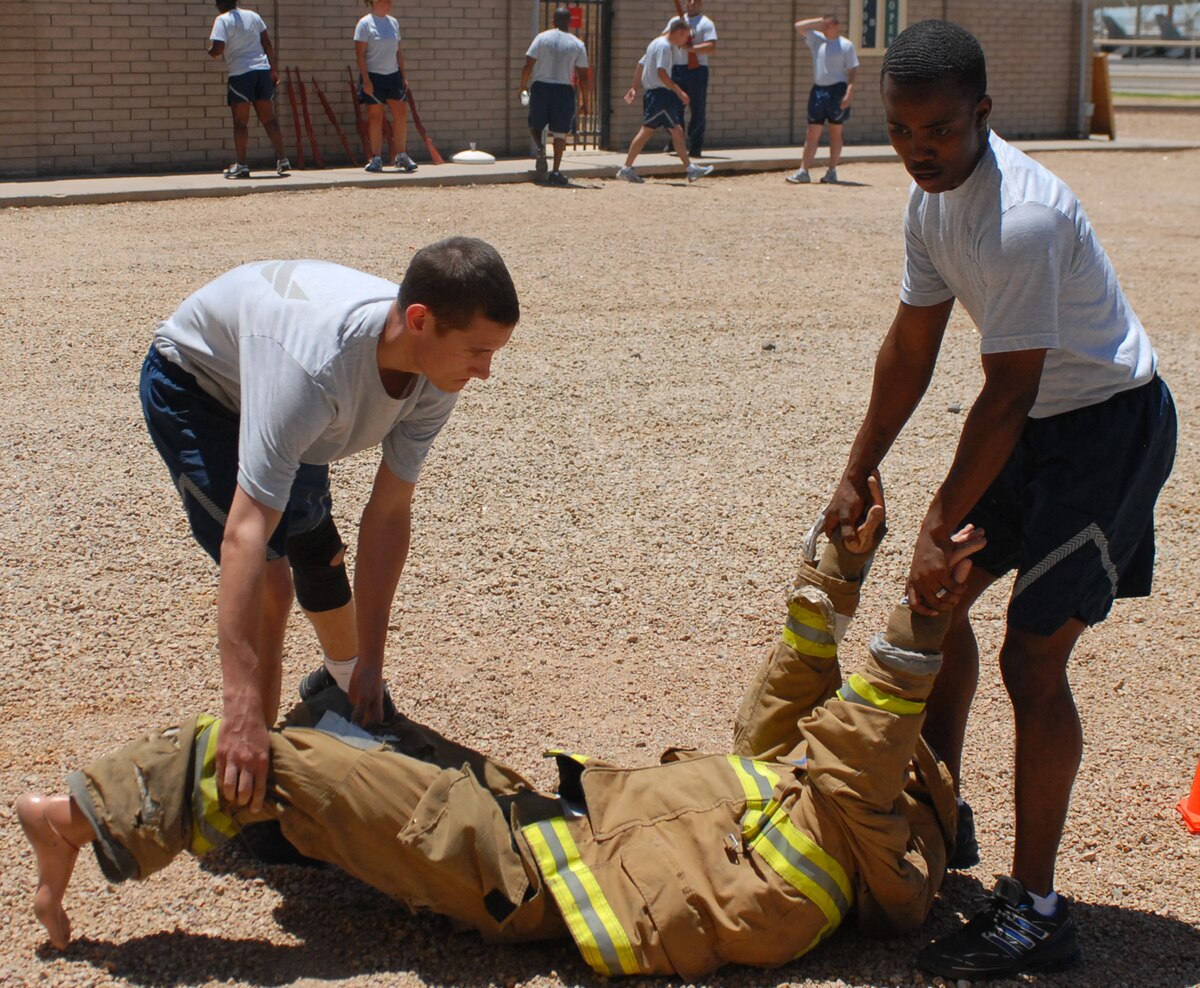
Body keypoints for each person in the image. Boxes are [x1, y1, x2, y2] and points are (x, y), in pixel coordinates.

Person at [17, 482, 987, 979]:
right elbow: (785, 707)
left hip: (523, 874)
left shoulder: (888, 857)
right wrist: (839, 567)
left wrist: (920, 625)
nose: (833, 729)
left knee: (276, 761)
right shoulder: (828, 805)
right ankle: (292, 822)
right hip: (543, 824)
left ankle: (77, 818)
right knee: (352, 723)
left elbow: (861, 741)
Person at [821, 19, 1177, 981]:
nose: (918, 149)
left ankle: (1038, 912)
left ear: (982, 112)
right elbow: (911, 348)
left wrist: (937, 524)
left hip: (1105, 431)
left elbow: (1008, 392)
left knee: (1032, 656)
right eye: (901, 130)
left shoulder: (1022, 217)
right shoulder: (931, 203)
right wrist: (858, 466)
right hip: (1036, 423)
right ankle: (945, 820)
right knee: (938, 608)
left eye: (938, 129)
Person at [138, 238, 519, 822]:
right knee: (272, 583)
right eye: (477, 351)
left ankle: (341, 685)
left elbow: (387, 513)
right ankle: (252, 777)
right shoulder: (313, 375)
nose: (485, 372)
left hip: (289, 386)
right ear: (420, 320)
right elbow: (244, 533)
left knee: (316, 545)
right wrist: (239, 709)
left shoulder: (434, 371)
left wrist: (372, 663)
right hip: (201, 386)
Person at [616, 19, 715, 185]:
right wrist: (679, 91)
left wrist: (634, 87)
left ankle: (690, 169)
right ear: (678, 32)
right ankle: (626, 169)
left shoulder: (654, 43)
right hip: (661, 95)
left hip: (656, 95)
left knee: (673, 131)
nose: (686, 42)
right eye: (685, 37)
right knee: (654, 131)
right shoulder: (664, 47)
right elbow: (661, 72)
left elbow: (641, 64)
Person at [207, 0, 289, 179]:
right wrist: (273, 70)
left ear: (220, 4)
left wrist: (210, 51)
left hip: (241, 74)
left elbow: (218, 49)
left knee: (240, 122)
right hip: (262, 71)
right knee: (269, 119)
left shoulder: (222, 20)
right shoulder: (254, 16)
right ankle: (283, 159)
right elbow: (267, 44)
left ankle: (242, 165)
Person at [520, 6, 591, 187]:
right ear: (569, 21)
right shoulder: (577, 44)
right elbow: (583, 77)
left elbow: (528, 64)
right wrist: (585, 101)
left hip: (541, 86)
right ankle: (556, 171)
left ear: (553, 20)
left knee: (535, 123)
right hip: (563, 89)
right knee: (560, 132)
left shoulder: (542, 38)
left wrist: (523, 86)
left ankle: (539, 146)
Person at [787, 14, 858, 185]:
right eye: (823, 26)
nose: (823, 29)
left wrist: (849, 92)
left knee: (835, 131)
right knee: (812, 131)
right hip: (819, 89)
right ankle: (803, 171)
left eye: (827, 26)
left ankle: (831, 171)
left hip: (837, 90)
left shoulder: (846, 45)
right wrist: (819, 20)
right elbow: (798, 26)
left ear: (836, 26)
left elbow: (853, 70)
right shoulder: (817, 40)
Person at [355, 0, 417, 173]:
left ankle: (401, 155)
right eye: (386, 1)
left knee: (401, 114)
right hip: (374, 76)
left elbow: (398, 52)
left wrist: (404, 76)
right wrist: (366, 81)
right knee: (375, 116)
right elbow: (360, 56)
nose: (390, 4)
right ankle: (376, 158)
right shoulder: (364, 24)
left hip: (393, 75)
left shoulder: (393, 23)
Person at [661, 0, 718, 159]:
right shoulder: (675, 21)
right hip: (677, 68)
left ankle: (696, 145)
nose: (691, 3)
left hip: (697, 70)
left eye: (695, 0)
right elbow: (663, 39)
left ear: (701, 3)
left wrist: (690, 48)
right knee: (674, 107)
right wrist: (676, 34)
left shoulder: (706, 23)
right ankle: (676, 140)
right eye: (689, 0)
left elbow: (711, 46)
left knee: (697, 108)